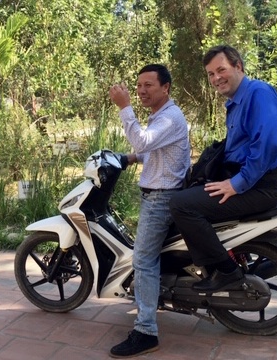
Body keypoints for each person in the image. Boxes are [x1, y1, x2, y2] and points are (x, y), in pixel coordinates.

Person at [169, 45, 277, 292]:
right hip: (251, 181)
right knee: (186, 196)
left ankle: (224, 271)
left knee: (181, 205)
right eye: (211, 74)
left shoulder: (258, 93)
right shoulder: (236, 103)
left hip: (259, 185)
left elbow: (267, 145)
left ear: (238, 66)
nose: (216, 78)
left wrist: (237, 184)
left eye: (221, 70)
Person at [108, 64, 190, 358]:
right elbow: (150, 148)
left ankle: (145, 331)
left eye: (148, 86)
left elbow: (143, 139)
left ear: (165, 88)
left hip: (161, 200)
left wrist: (124, 107)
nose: (142, 90)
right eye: (139, 85)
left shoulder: (170, 117)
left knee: (143, 261)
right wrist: (129, 158)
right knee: (149, 257)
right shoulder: (162, 117)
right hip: (160, 195)